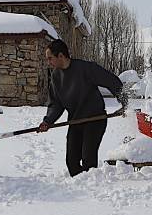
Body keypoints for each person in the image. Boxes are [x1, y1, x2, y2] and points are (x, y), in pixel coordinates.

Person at [39, 40, 128, 177]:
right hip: (75, 121)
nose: (48, 62)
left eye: (50, 58)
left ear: (61, 56)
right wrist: (48, 121)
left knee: (88, 160)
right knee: (71, 162)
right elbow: (56, 103)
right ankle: (80, 187)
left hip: (95, 119)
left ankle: (91, 186)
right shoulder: (56, 77)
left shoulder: (85, 68)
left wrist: (125, 103)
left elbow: (111, 81)